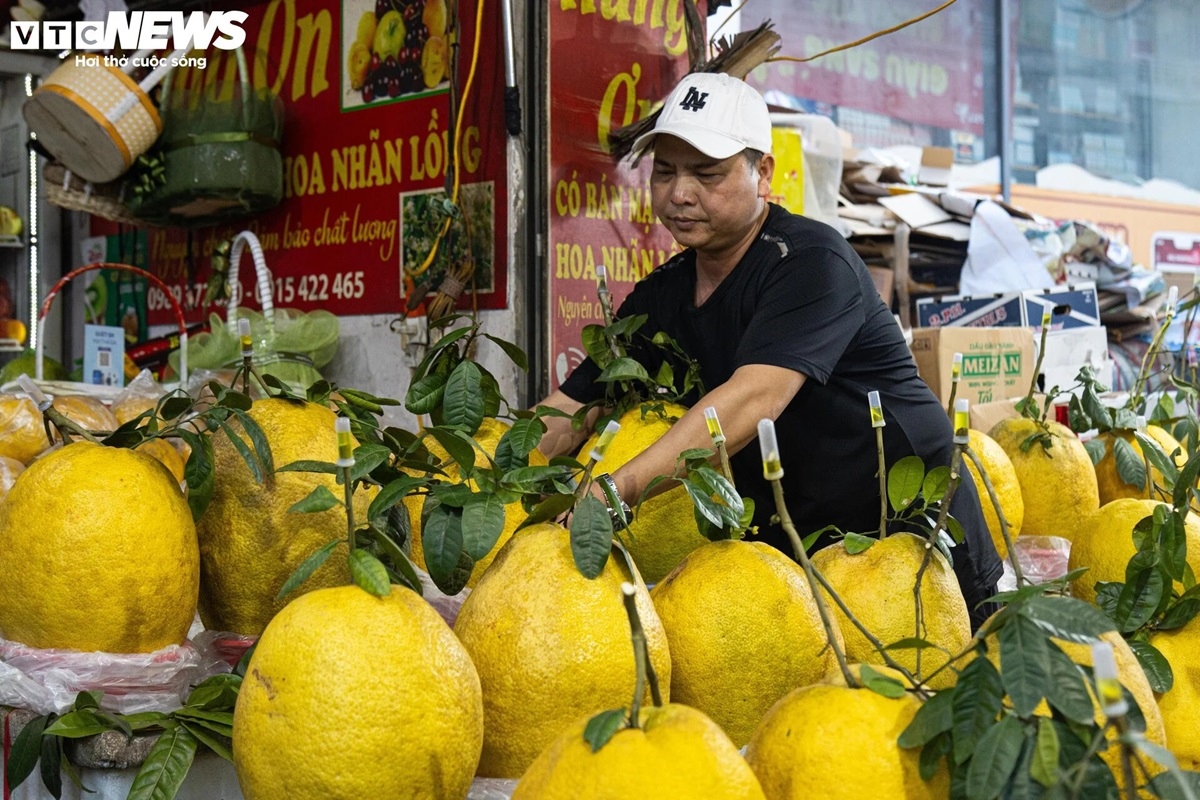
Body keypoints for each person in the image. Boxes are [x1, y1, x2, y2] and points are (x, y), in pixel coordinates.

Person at [536, 72, 1001, 626]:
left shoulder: (809, 262)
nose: (679, 193)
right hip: (800, 562)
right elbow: (578, 404)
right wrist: (498, 477)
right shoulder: (663, 296)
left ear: (763, 172)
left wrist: (614, 495)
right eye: (664, 171)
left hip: (910, 539)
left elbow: (752, 400)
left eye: (706, 174)